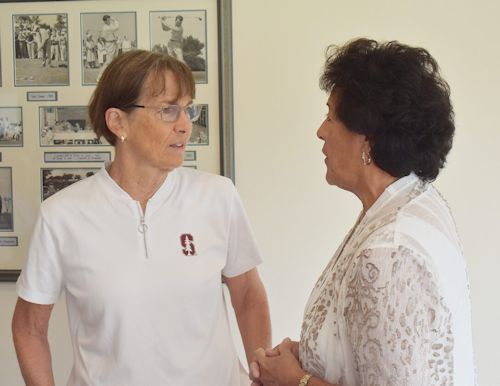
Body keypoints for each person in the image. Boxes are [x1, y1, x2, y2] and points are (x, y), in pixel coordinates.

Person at [13, 49, 271, 386]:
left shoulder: (218, 196)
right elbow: (28, 327)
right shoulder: (62, 215)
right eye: (168, 110)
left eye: (188, 109)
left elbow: (248, 295)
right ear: (118, 122)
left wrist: (263, 374)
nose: (185, 125)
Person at [251, 38, 475, 386]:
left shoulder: (389, 253)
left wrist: (296, 381)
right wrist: (313, 353)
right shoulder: (412, 202)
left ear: (368, 137)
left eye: (330, 117)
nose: (320, 131)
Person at [96, 15, 119, 80]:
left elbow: (114, 28)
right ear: (105, 21)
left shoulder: (108, 26)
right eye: (108, 20)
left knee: (114, 60)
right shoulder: (106, 28)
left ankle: (113, 76)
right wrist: (115, 20)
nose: (110, 20)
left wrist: (112, 20)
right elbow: (117, 27)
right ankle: (99, 77)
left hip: (113, 43)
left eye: (109, 19)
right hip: (109, 44)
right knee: (109, 61)